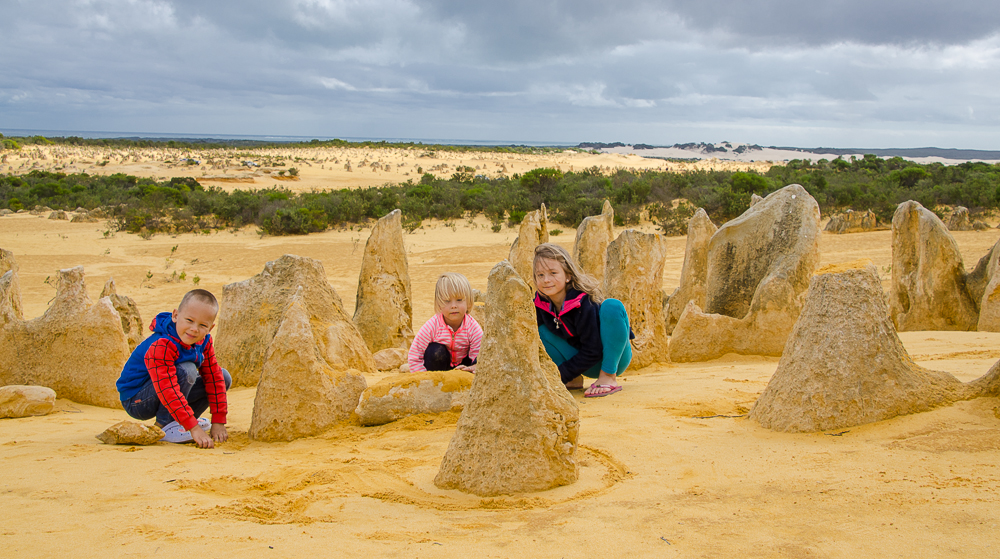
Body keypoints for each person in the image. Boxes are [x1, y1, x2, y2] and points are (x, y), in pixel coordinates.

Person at [116, 289, 231, 448]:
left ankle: (179, 422)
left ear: (210, 328)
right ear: (175, 316)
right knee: (187, 370)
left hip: (167, 390)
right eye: (189, 320)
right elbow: (166, 388)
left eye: (202, 325)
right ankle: (165, 426)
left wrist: (218, 420)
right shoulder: (162, 344)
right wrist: (194, 428)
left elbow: (213, 377)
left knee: (223, 377)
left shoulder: (203, 341)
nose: (194, 329)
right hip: (137, 399)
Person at [533, 243, 634, 397]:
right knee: (538, 330)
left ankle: (608, 377)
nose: (546, 280)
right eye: (540, 275)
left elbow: (593, 349)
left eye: (553, 273)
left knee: (612, 306)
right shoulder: (539, 303)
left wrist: (559, 376)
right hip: (582, 364)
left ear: (568, 276)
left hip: (612, 358)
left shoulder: (584, 302)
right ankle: (573, 380)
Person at [408, 272, 483, 373]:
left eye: (459, 300)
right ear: (439, 304)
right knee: (434, 351)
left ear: (469, 302)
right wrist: (423, 378)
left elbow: (480, 358)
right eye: (447, 301)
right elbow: (414, 356)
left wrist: (474, 368)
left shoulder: (473, 328)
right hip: (438, 368)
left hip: (463, 368)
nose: (453, 306)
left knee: (481, 355)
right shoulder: (431, 327)